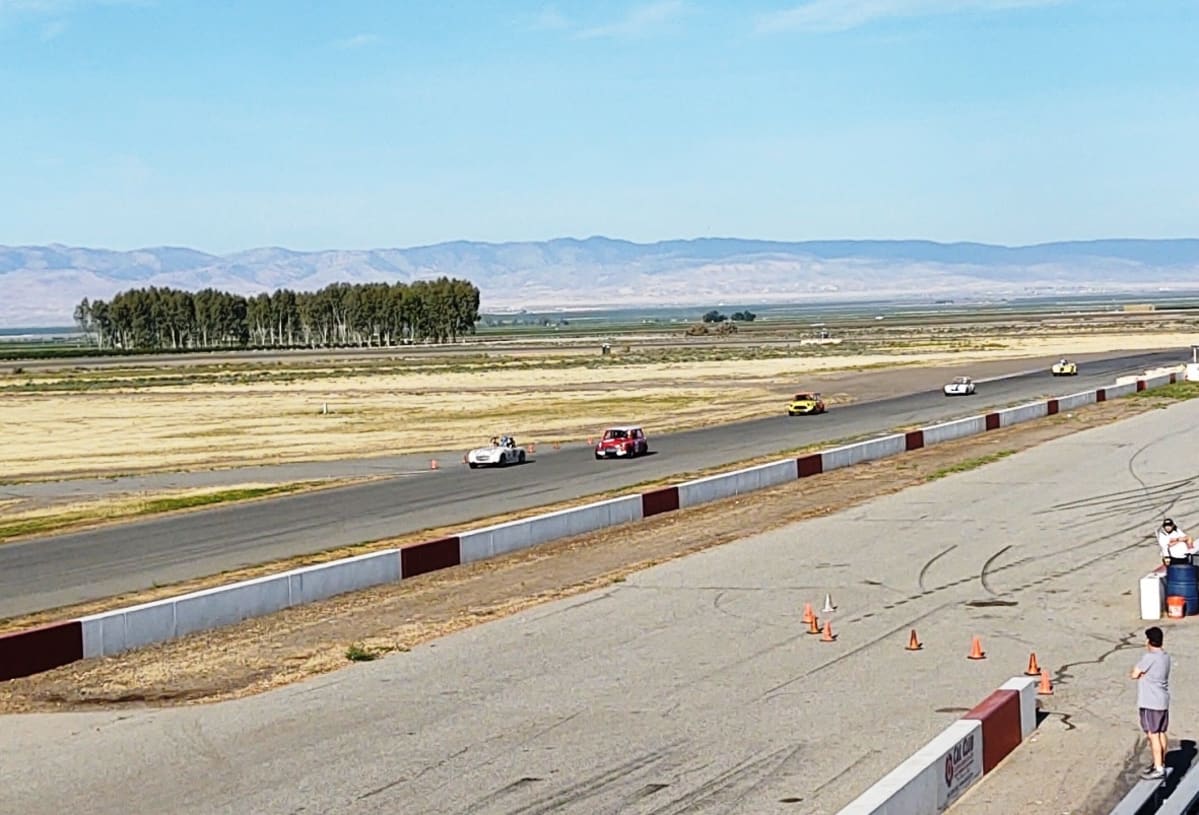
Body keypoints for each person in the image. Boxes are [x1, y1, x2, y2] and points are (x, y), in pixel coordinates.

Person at [1131, 626, 1171, 779]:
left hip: (1150, 702)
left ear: (1149, 641)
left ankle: (1158, 768)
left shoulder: (1149, 657)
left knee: (1152, 734)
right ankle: (1161, 762)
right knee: (1161, 732)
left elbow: (1134, 674)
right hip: (1162, 700)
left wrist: (1141, 675)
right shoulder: (1165, 656)